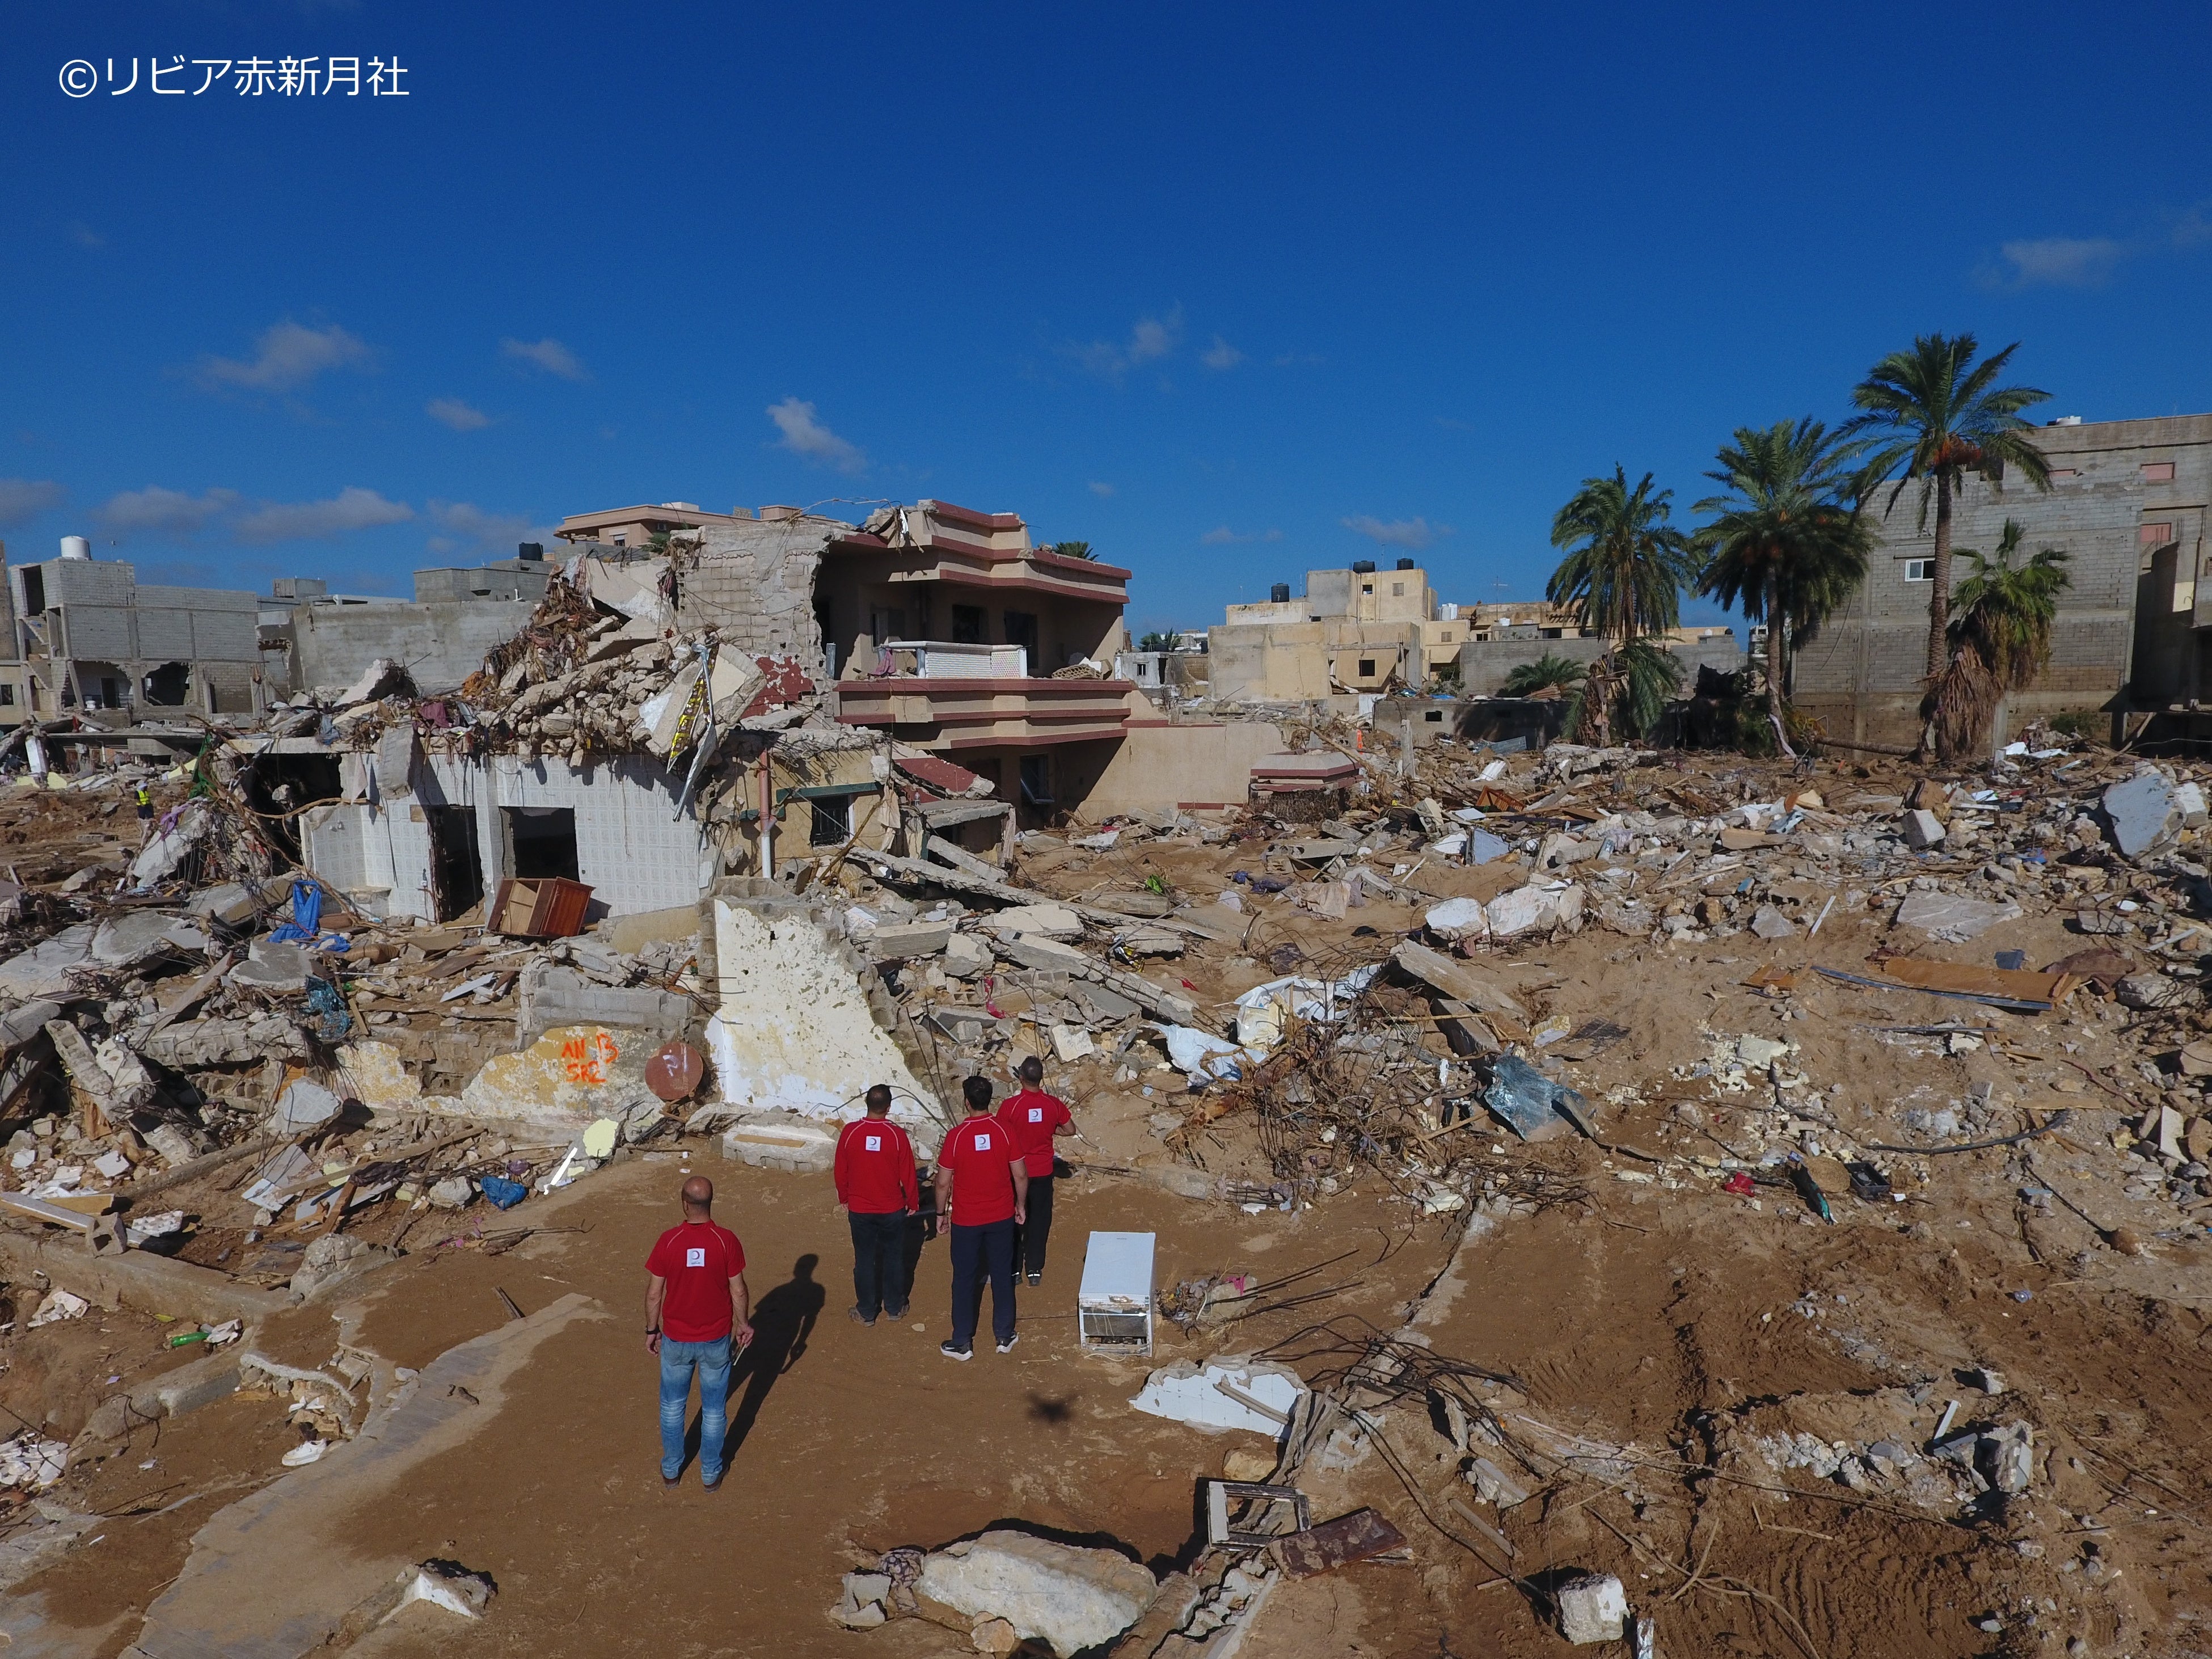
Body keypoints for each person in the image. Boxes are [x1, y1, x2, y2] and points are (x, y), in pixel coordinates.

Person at [644, 1176, 752, 1491]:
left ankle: (672, 1469)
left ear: (684, 1203)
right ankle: (710, 1472)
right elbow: (739, 1290)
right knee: (715, 1409)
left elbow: (654, 1294)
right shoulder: (726, 1241)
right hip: (716, 1341)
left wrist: (652, 1330)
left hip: (676, 1339)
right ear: (710, 1202)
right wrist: (742, 1324)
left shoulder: (669, 1241)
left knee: (672, 1406)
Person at [935, 1075, 1026, 1361]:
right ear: (990, 1100)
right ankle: (1004, 1334)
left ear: (966, 1102)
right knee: (1001, 1274)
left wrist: (940, 1213)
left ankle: (963, 1340)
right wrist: (1021, 1205)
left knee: (964, 1278)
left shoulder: (956, 1136)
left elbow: (942, 1182)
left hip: (966, 1220)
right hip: (1000, 1216)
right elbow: (1020, 1174)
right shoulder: (1005, 1130)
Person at [835, 1084, 919, 1325]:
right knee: (893, 1257)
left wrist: (844, 1197)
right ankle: (894, 1307)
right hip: (892, 1209)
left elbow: (841, 1170)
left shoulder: (851, 1132)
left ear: (866, 1104)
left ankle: (867, 1311)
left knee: (864, 1259)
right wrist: (912, 1201)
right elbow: (909, 1174)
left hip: (860, 1209)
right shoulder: (896, 1135)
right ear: (889, 1108)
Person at [997, 1056, 1074, 1287]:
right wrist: (1052, 1130)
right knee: (1040, 1221)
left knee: (1015, 1218)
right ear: (1040, 1079)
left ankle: (1013, 1269)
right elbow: (1070, 1129)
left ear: (1021, 1078)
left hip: (1017, 1171)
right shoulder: (1052, 1104)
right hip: (1043, 1172)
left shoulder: (1011, 1106)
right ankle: (1034, 1268)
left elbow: (1001, 1136)